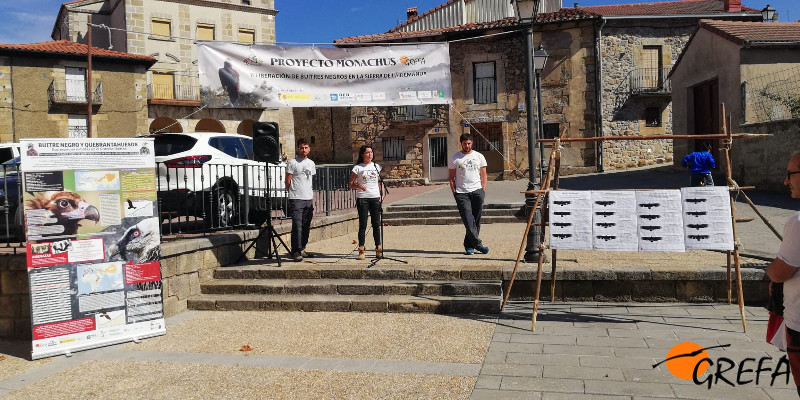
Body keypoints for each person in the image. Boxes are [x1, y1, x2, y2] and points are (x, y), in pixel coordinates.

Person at [766, 151, 800, 395]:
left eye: (790, 174)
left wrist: (770, 270)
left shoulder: (798, 223)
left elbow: (780, 272)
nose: (786, 181)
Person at [449, 133, 489, 255]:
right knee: (467, 219)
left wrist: (483, 190)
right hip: (462, 193)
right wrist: (455, 192)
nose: (467, 145)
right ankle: (478, 244)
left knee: (476, 220)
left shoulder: (479, 156)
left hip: (477, 191)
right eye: (465, 143)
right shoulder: (455, 158)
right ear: (461, 143)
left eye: (469, 143)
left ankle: (469, 246)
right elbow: (451, 177)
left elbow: (484, 175)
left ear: (472, 143)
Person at [349, 145, 385, 260]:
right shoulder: (358, 168)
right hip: (363, 198)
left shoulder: (376, 166)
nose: (370, 154)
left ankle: (378, 248)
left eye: (371, 152)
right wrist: (358, 185)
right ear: (362, 154)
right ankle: (361, 250)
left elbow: (380, 182)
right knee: (363, 225)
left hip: (375, 197)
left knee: (376, 224)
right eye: (367, 152)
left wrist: (382, 194)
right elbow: (350, 184)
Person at [285, 138, 315, 262]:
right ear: (298, 148)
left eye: (306, 147)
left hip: (308, 198)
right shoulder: (293, 162)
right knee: (297, 226)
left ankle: (302, 248)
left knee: (306, 225)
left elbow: (309, 180)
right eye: (301, 147)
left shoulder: (311, 163)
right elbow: (288, 180)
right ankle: (295, 251)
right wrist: (291, 192)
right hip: (296, 198)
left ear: (309, 149)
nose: (303, 150)